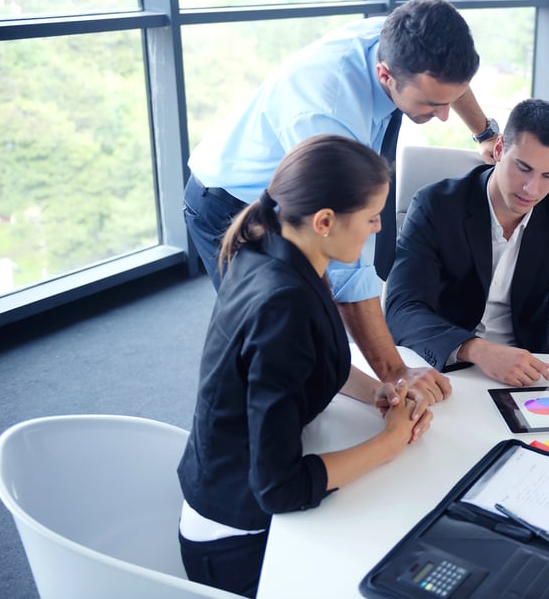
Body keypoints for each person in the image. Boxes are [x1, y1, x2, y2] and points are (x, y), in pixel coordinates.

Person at [183, 0, 499, 406]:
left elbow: (449, 82)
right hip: (230, 203)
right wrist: (396, 373)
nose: (442, 116)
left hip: (295, 186)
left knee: (314, 331)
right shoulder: (328, 115)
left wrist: (485, 133)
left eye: (447, 101)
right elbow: (351, 268)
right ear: (386, 75)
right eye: (430, 104)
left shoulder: (403, 37)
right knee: (280, 341)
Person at [177, 135, 433, 598]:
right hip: (241, 545)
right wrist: (390, 441)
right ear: (325, 221)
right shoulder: (283, 303)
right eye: (372, 216)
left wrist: (374, 389)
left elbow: (300, 361)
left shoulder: (273, 247)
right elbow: (280, 488)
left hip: (225, 488)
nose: (378, 227)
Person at [385, 99, 549, 386]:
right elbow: (403, 308)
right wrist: (476, 350)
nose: (532, 189)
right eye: (523, 168)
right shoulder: (436, 205)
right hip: (445, 367)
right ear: (499, 149)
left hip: (528, 374)